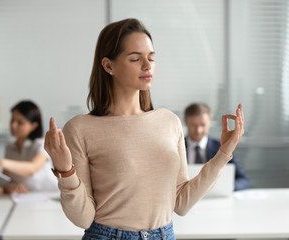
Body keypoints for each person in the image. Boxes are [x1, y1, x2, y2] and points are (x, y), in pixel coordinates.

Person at [44, 18, 244, 240]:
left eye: (151, 58)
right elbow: (83, 218)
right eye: (135, 59)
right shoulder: (80, 128)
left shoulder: (169, 122)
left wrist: (223, 153)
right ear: (109, 66)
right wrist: (65, 170)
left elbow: (181, 203)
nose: (147, 66)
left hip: (164, 234)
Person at [0, 100, 57, 193]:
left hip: (49, 196)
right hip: (25, 197)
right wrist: (12, 187)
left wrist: (2, 163)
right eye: (12, 120)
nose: (13, 125)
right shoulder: (10, 148)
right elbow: (6, 180)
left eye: (20, 122)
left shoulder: (42, 144)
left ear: (33, 126)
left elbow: (32, 168)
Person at [184, 103, 250, 191]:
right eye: (193, 125)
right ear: (186, 122)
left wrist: (227, 187)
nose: (198, 130)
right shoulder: (175, 147)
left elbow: (244, 181)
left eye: (202, 125)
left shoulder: (222, 147)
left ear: (209, 123)